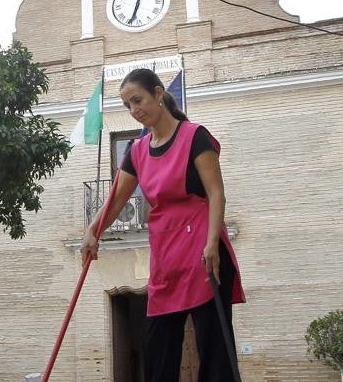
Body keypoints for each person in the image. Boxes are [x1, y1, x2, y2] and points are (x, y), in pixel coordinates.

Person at [82, 68, 245, 382]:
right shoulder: (138, 151)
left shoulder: (194, 136)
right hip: (167, 254)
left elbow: (216, 193)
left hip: (204, 250)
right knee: (159, 345)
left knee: (214, 350)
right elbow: (116, 199)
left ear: (158, 94)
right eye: (128, 105)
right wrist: (93, 232)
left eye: (138, 100)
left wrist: (213, 242)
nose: (134, 110)